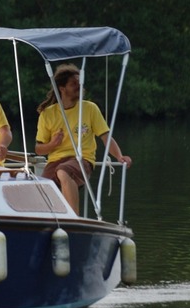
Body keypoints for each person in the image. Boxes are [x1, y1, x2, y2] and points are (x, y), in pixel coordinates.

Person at [34, 63, 132, 214]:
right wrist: (53, 144)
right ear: (62, 88)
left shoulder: (90, 108)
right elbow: (39, 149)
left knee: (63, 171)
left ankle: (74, 219)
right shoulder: (47, 114)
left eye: (80, 83)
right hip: (55, 160)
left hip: (82, 159)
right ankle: (49, 222)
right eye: (74, 84)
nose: (79, 86)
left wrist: (119, 156)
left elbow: (106, 137)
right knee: (40, 186)